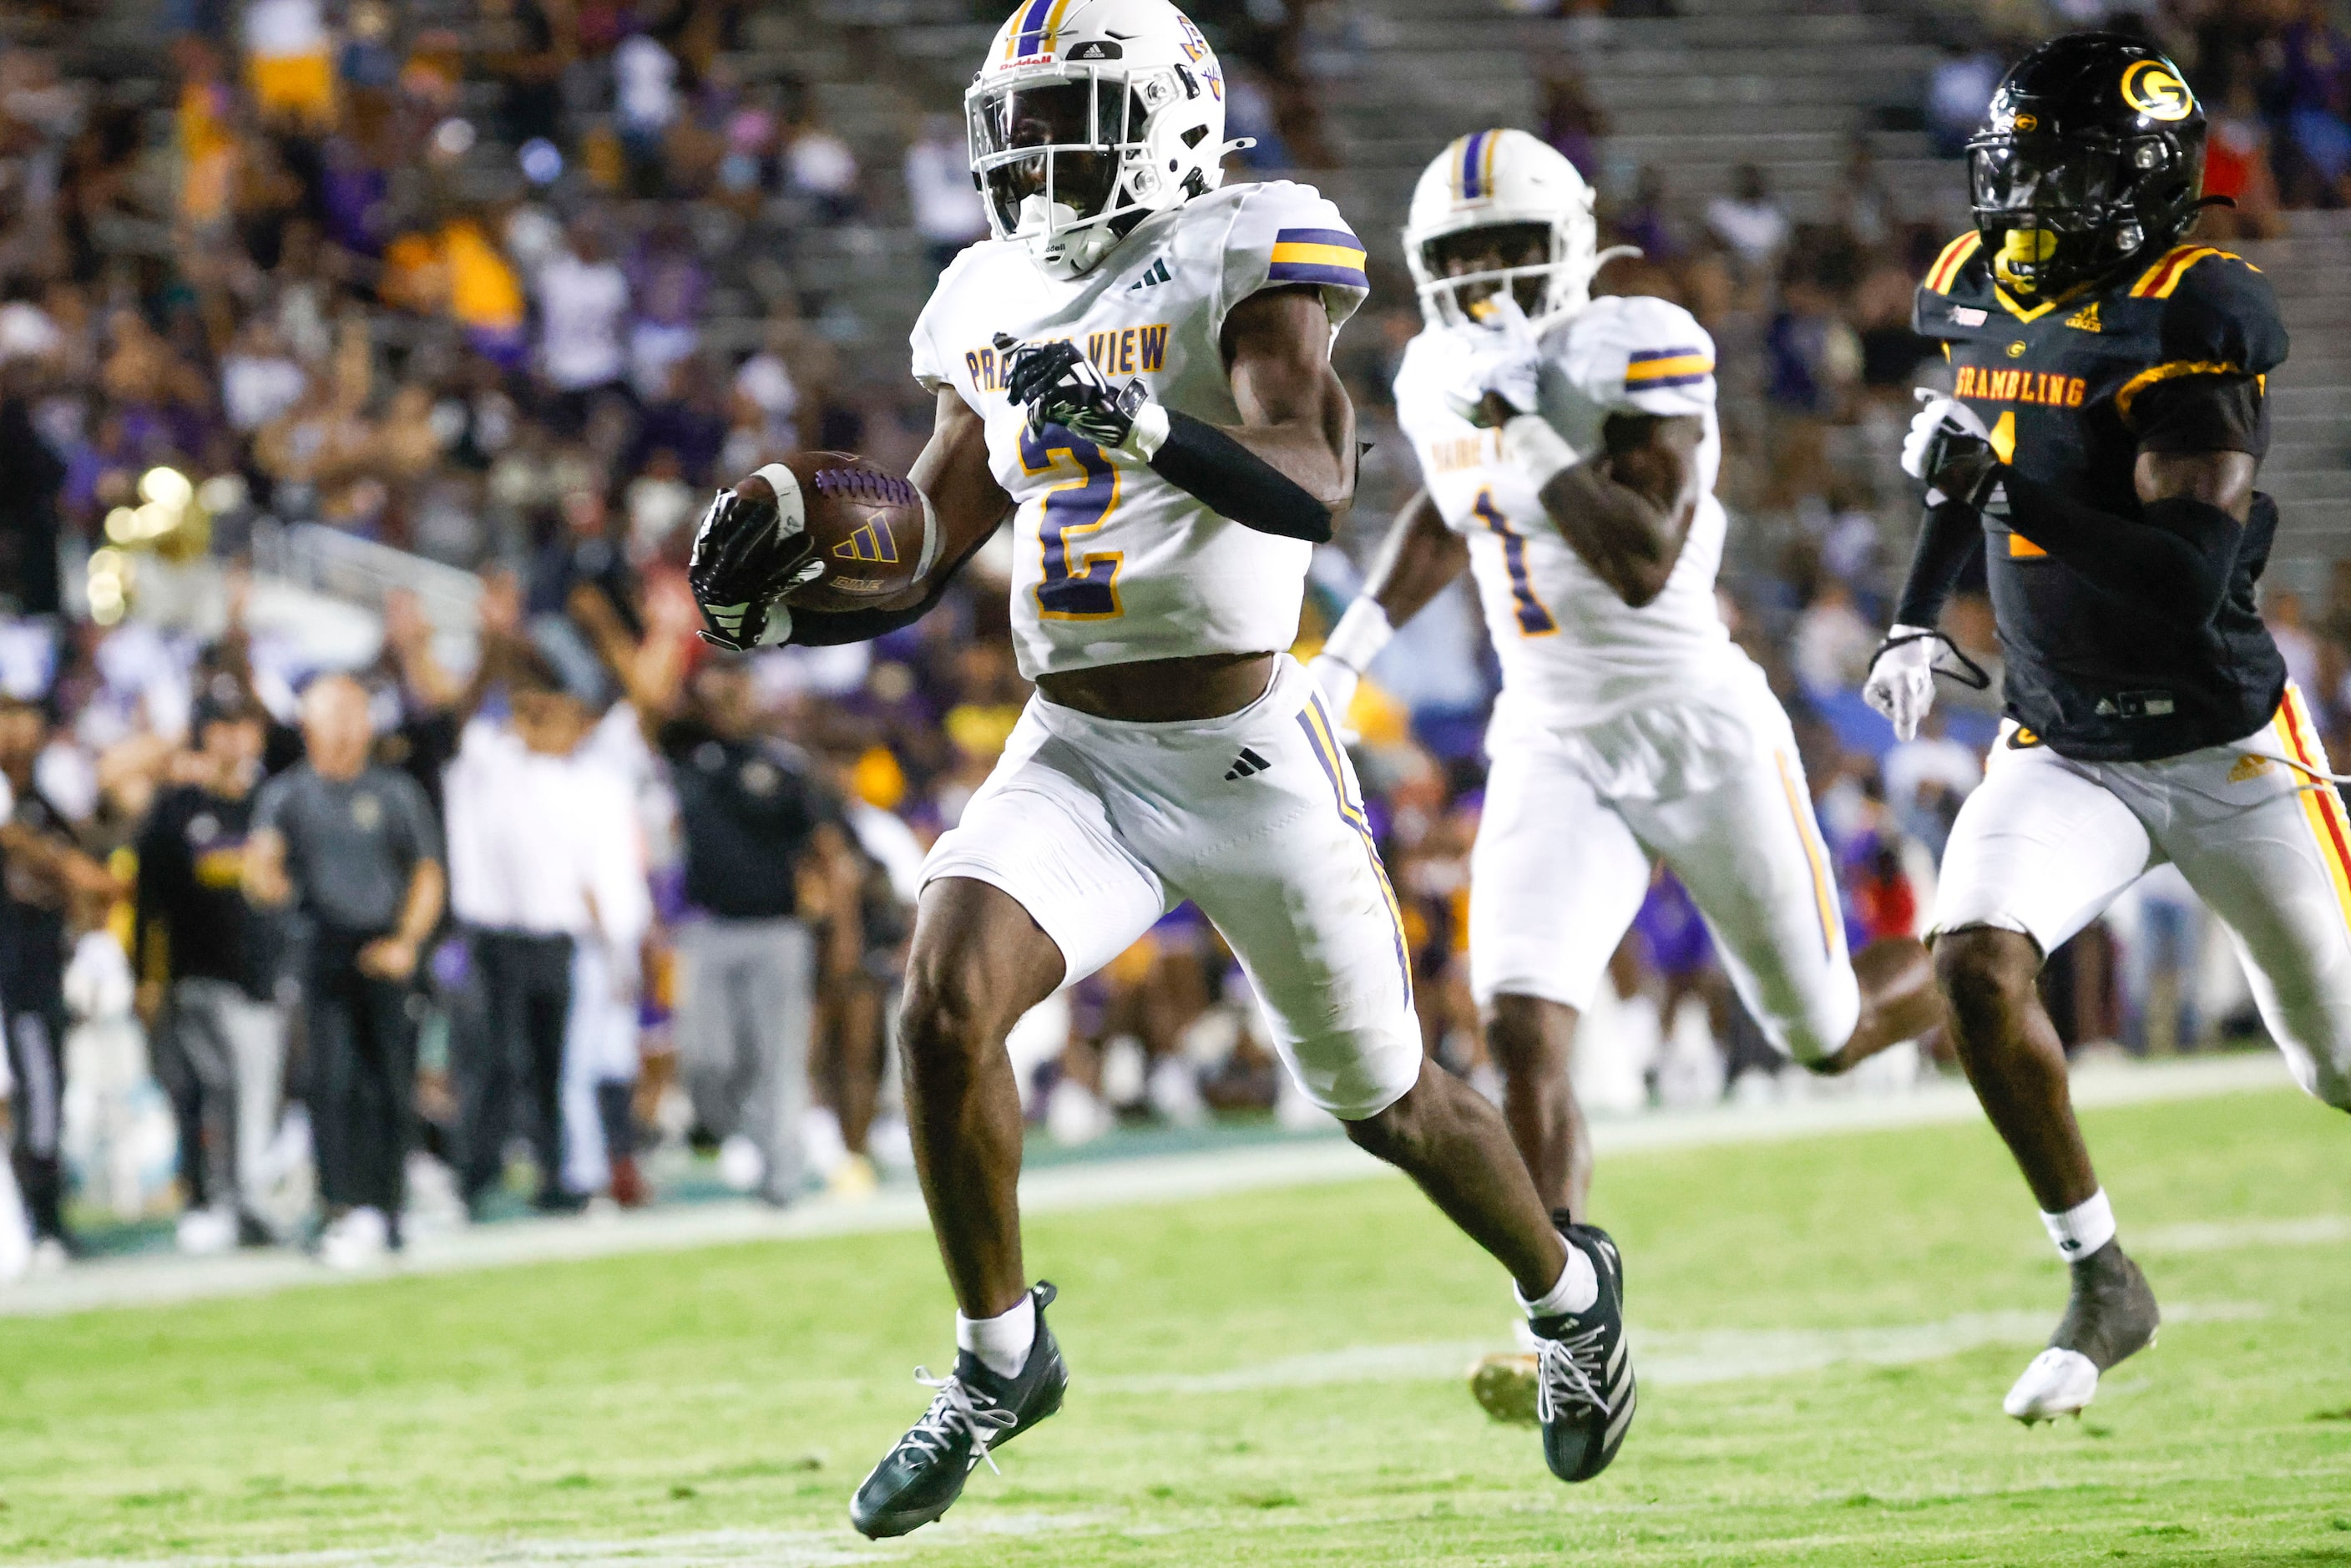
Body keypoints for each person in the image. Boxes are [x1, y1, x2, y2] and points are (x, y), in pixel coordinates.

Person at [686, 0, 1624, 1535]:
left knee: (1388, 1101)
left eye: (1071, 123)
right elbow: (922, 550)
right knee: (940, 1000)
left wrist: (1146, 426)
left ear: (1169, 120)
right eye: (1020, 128)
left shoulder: (1244, 244)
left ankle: (1569, 1288)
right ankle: (1003, 1358)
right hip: (1080, 746)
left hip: (1248, 752)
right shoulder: (985, 294)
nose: (1036, 158)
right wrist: (777, 609)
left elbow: (1317, 484)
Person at [1314, 127, 1943, 1431]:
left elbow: (1645, 557)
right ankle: (1567, 1336)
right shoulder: (1441, 367)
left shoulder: (1635, 344)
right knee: (1526, 1019)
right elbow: (1448, 501)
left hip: (1695, 724)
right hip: (1550, 731)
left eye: (1507, 251)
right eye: (1461, 258)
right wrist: (1346, 655)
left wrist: (1525, 427)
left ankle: (1995, 948)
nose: (1484, 278)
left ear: (1569, 251)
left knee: (1824, 1032)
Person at [1864, 34, 2341, 1424]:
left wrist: (2003, 482)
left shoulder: (2195, 311)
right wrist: (1912, 612)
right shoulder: (1972, 289)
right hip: (2064, 739)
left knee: (2337, 1065)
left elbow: (2185, 573)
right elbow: (1962, 469)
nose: (2024, 203)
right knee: (1972, 962)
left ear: (2141, 183)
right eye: (2013, 170)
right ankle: (2100, 1274)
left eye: (2060, 174)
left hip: (2226, 745)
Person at [245, 675, 444, 1268]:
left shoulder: (393, 792)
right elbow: (262, 863)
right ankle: (341, 1206)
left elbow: (426, 873)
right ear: (308, 724)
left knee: (391, 1081)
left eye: (352, 714)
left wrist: (407, 941)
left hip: (383, 948)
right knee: (331, 1083)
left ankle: (389, 1207)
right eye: (332, 715)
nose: (344, 728)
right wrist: (267, 883)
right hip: (320, 949)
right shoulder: (288, 795)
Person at [134, 691, 283, 1254]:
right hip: (195, 976)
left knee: (255, 1093)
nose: (231, 738)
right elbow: (151, 901)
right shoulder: (177, 809)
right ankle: (211, 1198)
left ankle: (243, 1198)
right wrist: (147, 978)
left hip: (261, 976)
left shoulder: (273, 802)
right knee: (205, 1092)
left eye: (240, 725)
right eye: (219, 726)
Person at [0, 693, 116, 1264]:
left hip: (41, 973)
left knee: (48, 1094)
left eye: (28, 723)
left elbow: (84, 864)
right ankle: (33, 1219)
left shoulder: (43, 802)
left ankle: (45, 1217)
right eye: (9, 724)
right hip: (10, 978)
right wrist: (75, 873)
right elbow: (42, 854)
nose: (20, 736)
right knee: (34, 1094)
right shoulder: (9, 805)